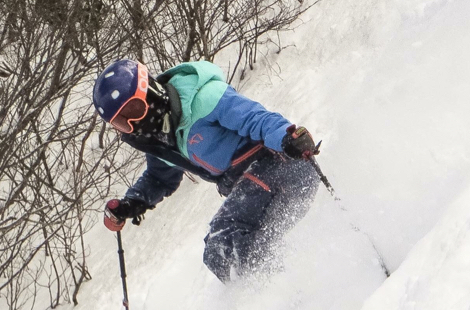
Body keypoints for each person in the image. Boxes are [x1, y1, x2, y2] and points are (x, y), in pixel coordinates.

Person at [93, 59, 320, 283]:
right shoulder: (162, 138)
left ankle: (283, 292)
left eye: (134, 109)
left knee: (225, 240)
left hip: (282, 165)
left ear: (150, 90)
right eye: (123, 122)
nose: (134, 123)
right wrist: (132, 203)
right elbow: (159, 178)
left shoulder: (202, 98)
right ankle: (293, 292)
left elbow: (255, 118)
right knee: (218, 255)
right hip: (257, 188)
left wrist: (287, 137)